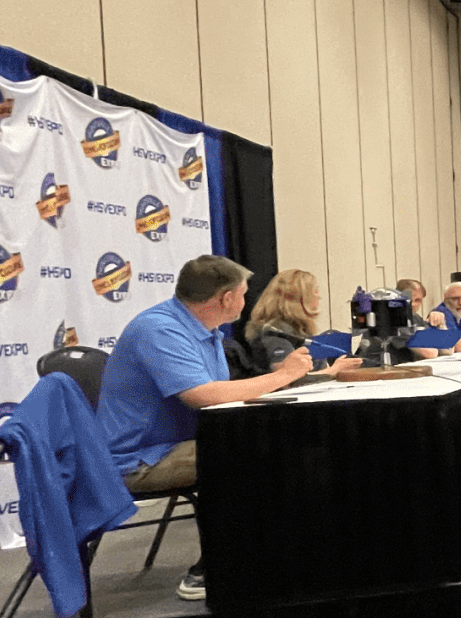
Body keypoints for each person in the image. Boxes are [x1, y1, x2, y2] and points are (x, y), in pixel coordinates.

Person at [98, 255, 314, 600]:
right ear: (227, 298)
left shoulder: (202, 331)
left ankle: (267, 555)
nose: (246, 302)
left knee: (272, 440)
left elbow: (221, 397)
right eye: (243, 294)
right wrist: (282, 376)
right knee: (244, 454)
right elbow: (205, 397)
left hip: (176, 443)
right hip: (138, 459)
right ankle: (210, 568)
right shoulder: (160, 329)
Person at [244, 270, 360, 375]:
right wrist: (334, 370)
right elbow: (286, 378)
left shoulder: (290, 329)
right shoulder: (275, 332)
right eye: (315, 291)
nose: (318, 296)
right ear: (301, 299)